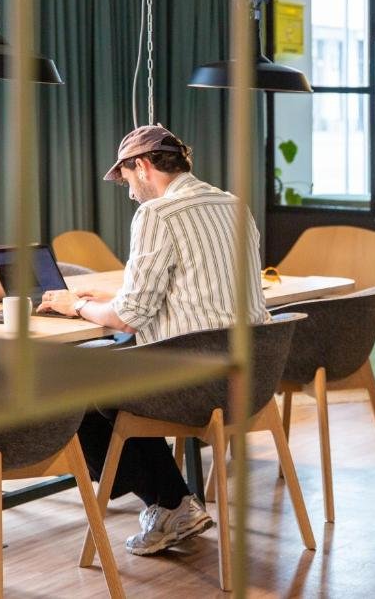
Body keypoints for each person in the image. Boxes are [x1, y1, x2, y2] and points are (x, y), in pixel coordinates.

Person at [38, 124, 269, 555]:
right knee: (109, 378)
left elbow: (127, 319)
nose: (129, 193)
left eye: (127, 179)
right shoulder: (233, 204)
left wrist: (78, 305)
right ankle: (170, 501)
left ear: (143, 166)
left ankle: (166, 503)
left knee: (80, 386)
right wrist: (108, 300)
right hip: (252, 380)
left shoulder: (157, 214)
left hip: (195, 386)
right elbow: (191, 287)